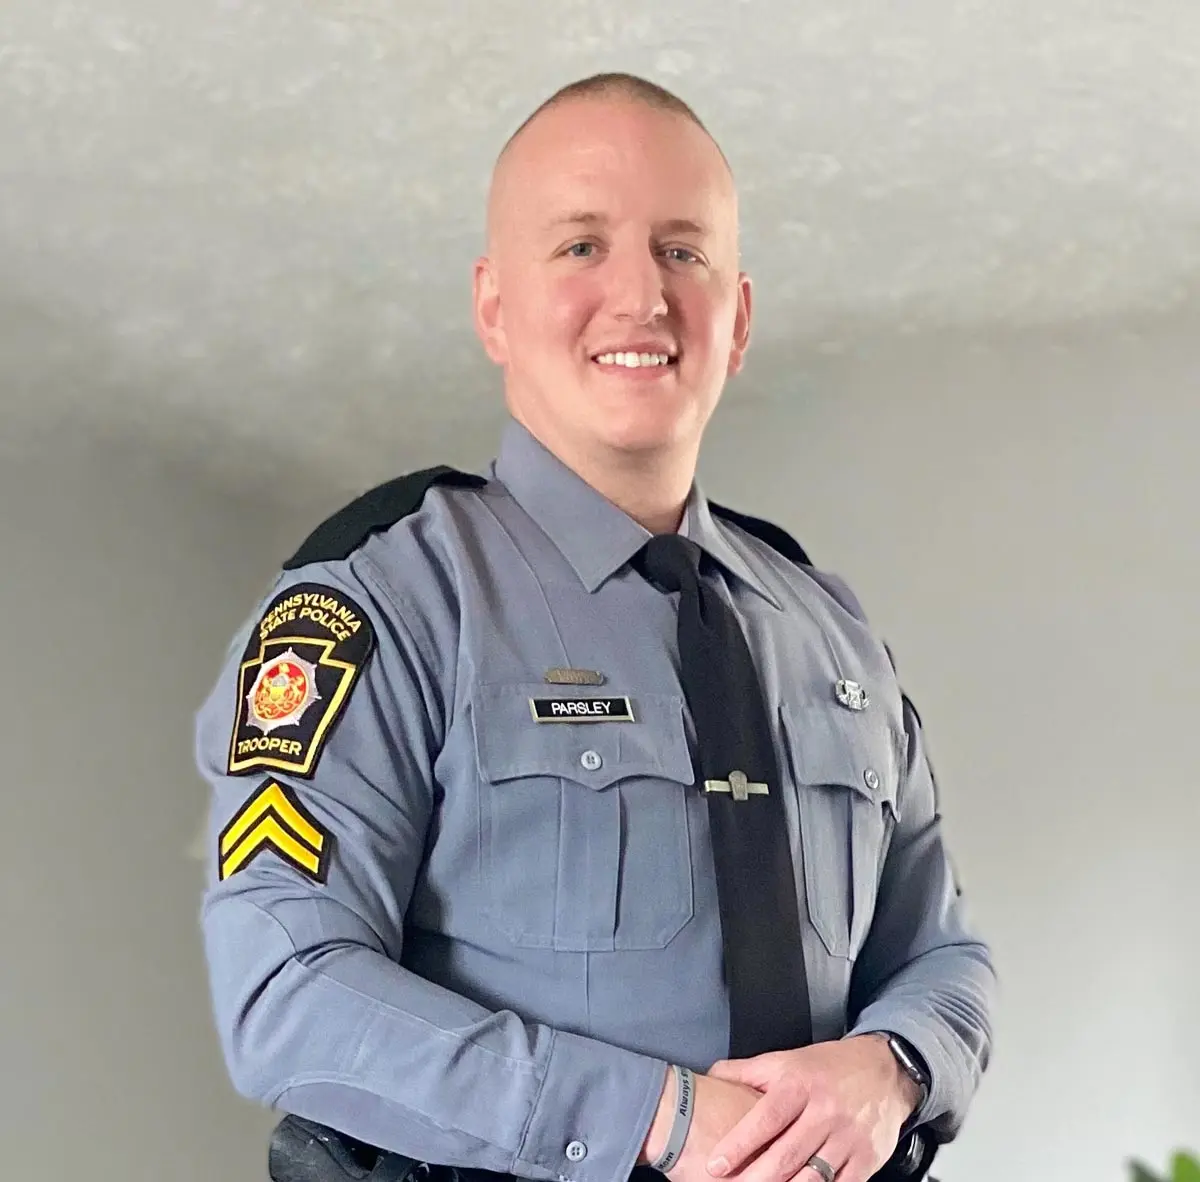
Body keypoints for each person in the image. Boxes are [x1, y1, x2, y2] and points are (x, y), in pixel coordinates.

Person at [194, 72, 996, 1182]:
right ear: (492, 307)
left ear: (740, 317)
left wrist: (896, 1065)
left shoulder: (829, 629)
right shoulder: (376, 609)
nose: (641, 298)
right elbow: (290, 997)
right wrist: (660, 1118)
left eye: (683, 251)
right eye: (580, 248)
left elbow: (943, 953)